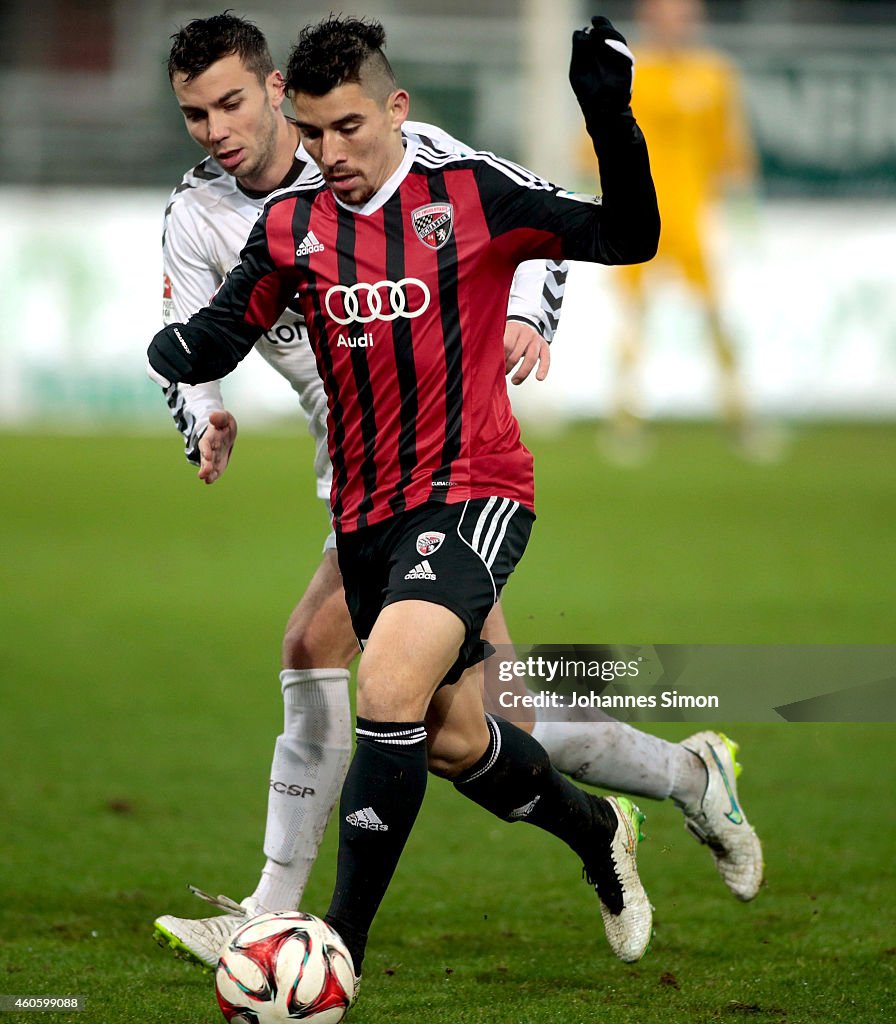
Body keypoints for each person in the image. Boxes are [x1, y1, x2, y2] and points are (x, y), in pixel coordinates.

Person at [150, 13, 761, 980]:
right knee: (472, 730)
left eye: (232, 102)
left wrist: (524, 312)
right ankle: (664, 789)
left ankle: (303, 932)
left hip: (463, 476)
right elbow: (199, 336)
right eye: (195, 112)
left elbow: (562, 227)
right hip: (357, 483)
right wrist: (199, 408)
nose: (218, 127)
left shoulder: (438, 172)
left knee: (350, 667)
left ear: (273, 91)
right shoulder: (230, 219)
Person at [581, 0, 761, 459]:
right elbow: (594, 135)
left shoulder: (714, 75)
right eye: (667, 14)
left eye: (684, 14)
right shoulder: (630, 70)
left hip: (691, 217)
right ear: (648, 18)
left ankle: (739, 414)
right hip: (635, 214)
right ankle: (623, 419)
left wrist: (742, 202)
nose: (676, 23)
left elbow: (731, 146)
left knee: (714, 312)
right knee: (633, 315)